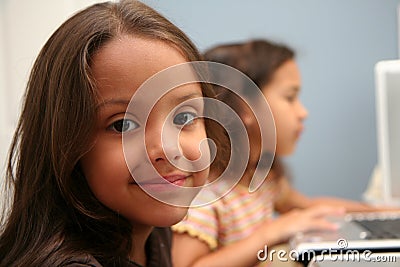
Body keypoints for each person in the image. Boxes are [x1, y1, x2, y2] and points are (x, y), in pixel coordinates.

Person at [0, 1, 228, 266]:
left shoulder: (153, 233)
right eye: (122, 125)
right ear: (65, 147)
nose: (169, 149)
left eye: (184, 117)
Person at [171, 39, 389, 267]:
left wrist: (381, 213)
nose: (303, 112)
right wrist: (270, 234)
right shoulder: (205, 196)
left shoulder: (262, 178)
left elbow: (307, 205)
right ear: (245, 106)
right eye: (290, 97)